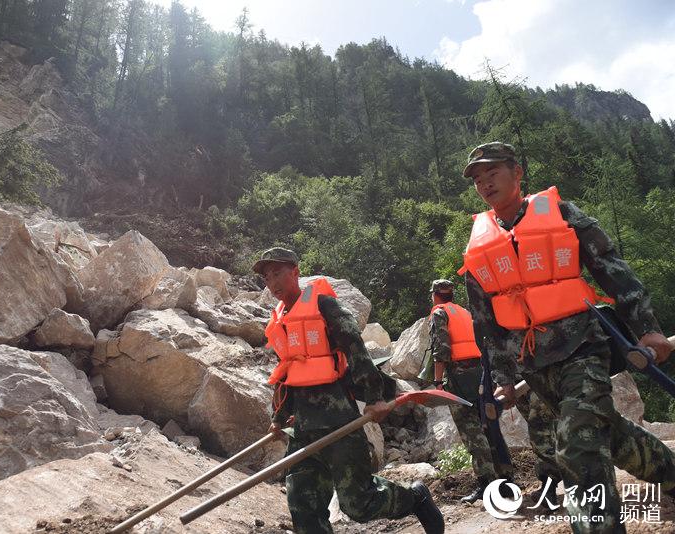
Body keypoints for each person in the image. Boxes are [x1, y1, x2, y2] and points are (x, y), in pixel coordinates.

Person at [459, 141, 675, 533]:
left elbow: (611, 267)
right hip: (536, 365)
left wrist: (648, 327)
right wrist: (504, 377)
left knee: (576, 446)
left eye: (492, 173)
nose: (484, 183)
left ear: (516, 173)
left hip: (583, 349)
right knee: (609, 433)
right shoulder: (480, 244)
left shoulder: (559, 214)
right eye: (477, 179)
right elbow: (485, 321)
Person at [255, 247, 444, 534]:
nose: (272, 283)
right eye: (267, 277)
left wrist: (375, 397)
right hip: (303, 427)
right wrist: (279, 417)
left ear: (295, 272)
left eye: (278, 273)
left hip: (339, 420)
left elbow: (356, 351)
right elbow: (286, 372)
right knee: (303, 505)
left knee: (359, 504)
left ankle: (415, 497)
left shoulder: (324, 306)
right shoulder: (280, 319)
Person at [427, 278, 513, 503]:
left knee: (471, 431)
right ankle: (506, 480)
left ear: (435, 295)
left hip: (458, 376)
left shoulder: (439, 313)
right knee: (489, 427)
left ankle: (487, 484)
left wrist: (437, 382)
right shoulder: (464, 312)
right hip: (480, 373)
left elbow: (442, 349)